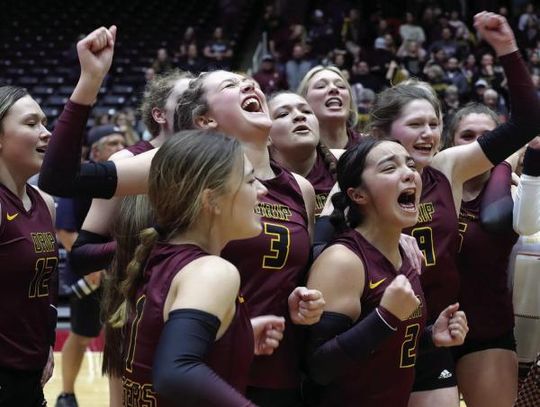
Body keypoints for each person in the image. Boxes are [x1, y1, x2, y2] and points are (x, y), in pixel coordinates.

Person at [39, 68, 326, 406]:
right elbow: (59, 178)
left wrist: (299, 298)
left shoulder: (298, 187)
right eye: (231, 84)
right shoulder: (181, 163)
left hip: (268, 358)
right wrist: (88, 82)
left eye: (251, 81)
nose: (249, 84)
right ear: (204, 120)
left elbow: (288, 273)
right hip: (190, 362)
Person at [363, 12, 540, 407]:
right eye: (415, 125)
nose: (427, 134)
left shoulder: (447, 167)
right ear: (384, 133)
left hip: (446, 321)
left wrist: (507, 51)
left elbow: (528, 121)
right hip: (384, 320)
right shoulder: (361, 173)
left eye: (433, 124)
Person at [114, 129, 286, 405]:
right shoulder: (212, 272)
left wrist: (235, 337)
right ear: (211, 200)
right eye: (251, 180)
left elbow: (163, 348)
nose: (263, 190)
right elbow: (174, 372)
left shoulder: (158, 255)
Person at [0, 25, 116, 407]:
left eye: (45, 122)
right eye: (32, 124)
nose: (47, 133)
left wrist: (46, 344)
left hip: (29, 371)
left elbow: (44, 293)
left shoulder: (42, 202)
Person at [306, 138, 468, 406]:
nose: (409, 173)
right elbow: (319, 368)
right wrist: (386, 317)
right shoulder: (342, 260)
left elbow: (380, 349)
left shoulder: (405, 253)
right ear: (358, 194)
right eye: (389, 168)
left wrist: (428, 337)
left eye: (410, 165)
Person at [444, 103, 519, 407]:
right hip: (425, 332)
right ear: (451, 144)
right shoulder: (428, 188)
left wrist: (506, 165)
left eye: (489, 136)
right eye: (468, 136)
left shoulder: (515, 193)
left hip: (488, 330)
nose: (479, 144)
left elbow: (495, 219)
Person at [55, 124, 126, 407]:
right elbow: (66, 232)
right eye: (113, 143)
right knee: (83, 334)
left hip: (122, 273)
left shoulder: (130, 180)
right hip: (91, 273)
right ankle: (67, 393)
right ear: (96, 151)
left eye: (123, 142)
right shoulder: (80, 179)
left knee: (122, 338)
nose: (121, 148)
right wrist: (95, 266)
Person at [267, 91, 338, 216]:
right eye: (283, 114)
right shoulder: (253, 182)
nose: (299, 116)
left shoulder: (346, 165)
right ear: (265, 134)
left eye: (306, 111)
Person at [297, 66, 360, 149]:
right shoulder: (292, 152)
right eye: (321, 86)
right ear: (304, 101)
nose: (334, 88)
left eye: (341, 86)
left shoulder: (371, 149)